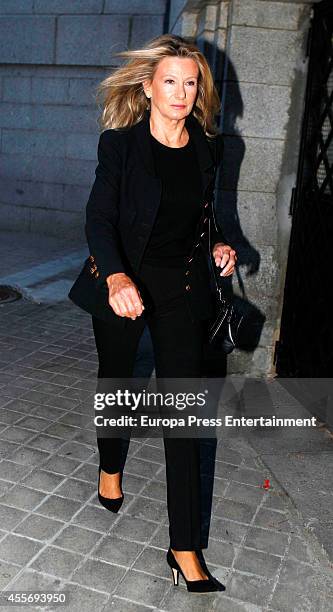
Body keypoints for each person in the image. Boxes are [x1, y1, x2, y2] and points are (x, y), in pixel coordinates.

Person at [69, 33, 237, 593]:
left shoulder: (209, 148)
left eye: (191, 83)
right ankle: (110, 466)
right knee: (119, 385)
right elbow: (100, 220)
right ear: (147, 86)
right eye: (171, 81)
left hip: (183, 293)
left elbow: (207, 218)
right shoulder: (119, 147)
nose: (182, 92)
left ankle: (184, 546)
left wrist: (218, 246)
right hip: (125, 284)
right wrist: (115, 275)